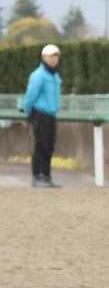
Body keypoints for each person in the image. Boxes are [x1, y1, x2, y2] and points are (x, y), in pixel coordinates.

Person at [23, 44, 63, 188]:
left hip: (51, 114)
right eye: (51, 56)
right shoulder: (38, 75)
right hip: (39, 114)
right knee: (40, 144)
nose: (54, 59)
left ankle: (46, 175)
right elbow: (30, 96)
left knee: (50, 145)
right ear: (44, 57)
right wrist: (28, 112)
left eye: (56, 56)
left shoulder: (54, 75)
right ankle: (37, 176)